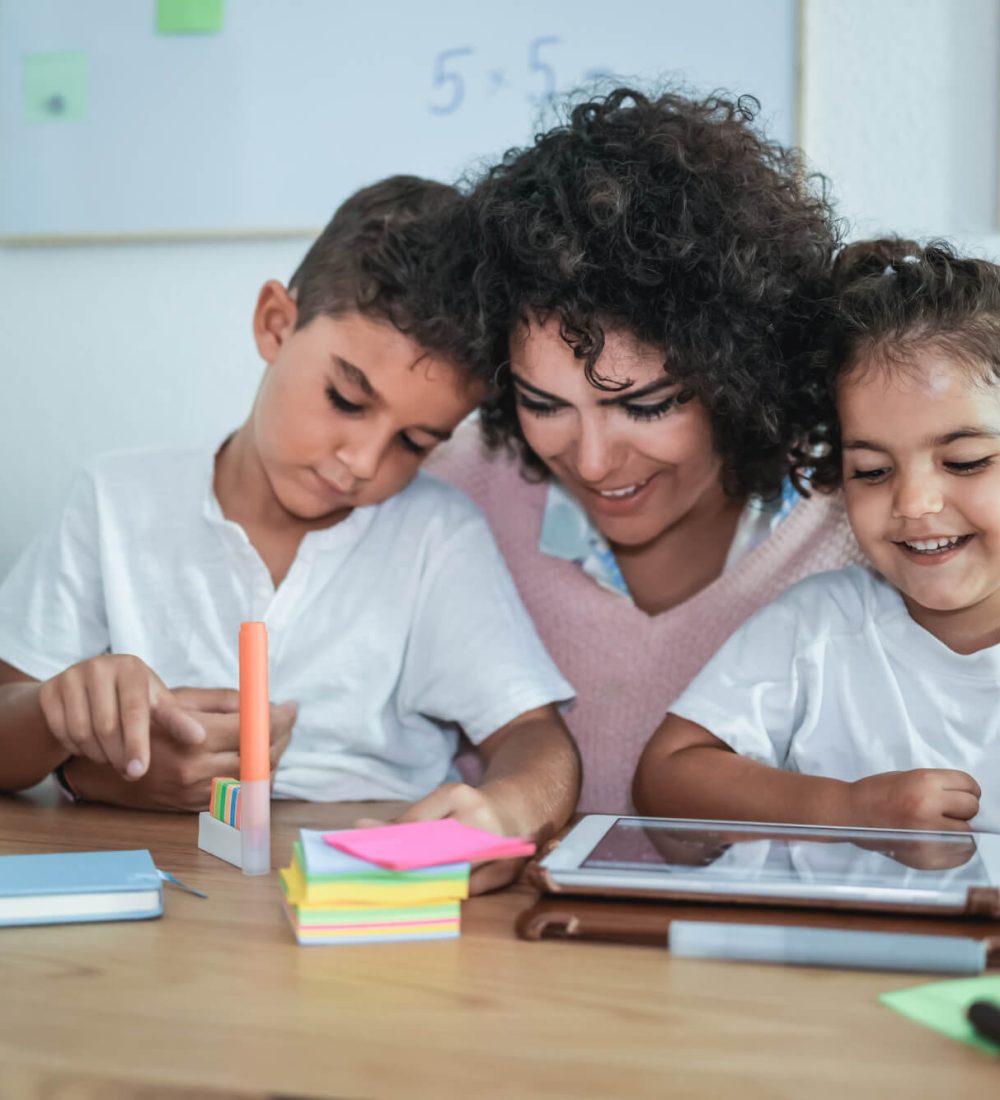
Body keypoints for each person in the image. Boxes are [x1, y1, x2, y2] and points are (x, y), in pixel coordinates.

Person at [0, 176, 579, 885]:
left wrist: (508, 813)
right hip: (153, 876)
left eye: (415, 442)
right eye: (345, 398)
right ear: (276, 322)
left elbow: (536, 739)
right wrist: (57, 715)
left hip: (357, 883)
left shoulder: (434, 535)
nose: (362, 461)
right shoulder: (115, 500)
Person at [429, 88, 859, 812]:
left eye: (647, 405)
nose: (592, 462)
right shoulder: (459, 492)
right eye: (543, 404)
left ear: (738, 372)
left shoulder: (861, 518)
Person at [633, 239, 1000, 833]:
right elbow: (664, 778)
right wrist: (849, 810)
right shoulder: (820, 624)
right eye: (873, 472)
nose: (913, 504)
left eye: (965, 461)